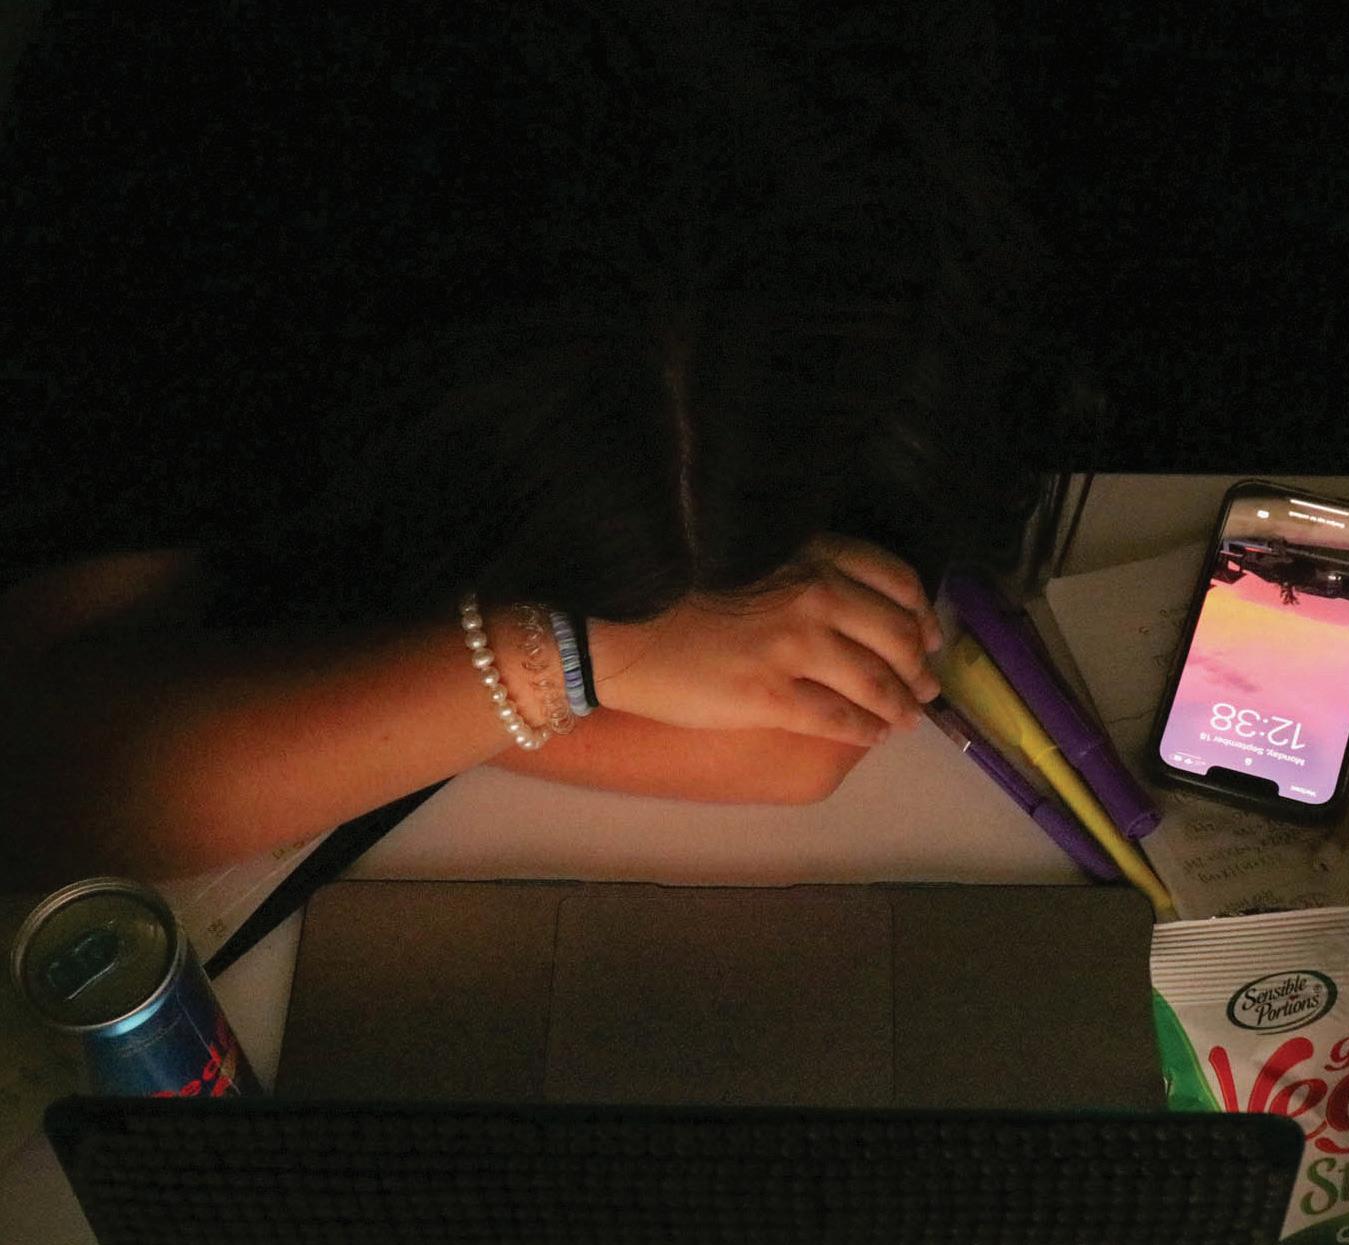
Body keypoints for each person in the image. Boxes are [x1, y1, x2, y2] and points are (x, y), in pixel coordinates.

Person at [0, 3, 1062, 889]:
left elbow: (785, 746)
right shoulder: (169, 134)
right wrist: (568, 659)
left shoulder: (915, 97)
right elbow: (50, 782)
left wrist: (370, 693)